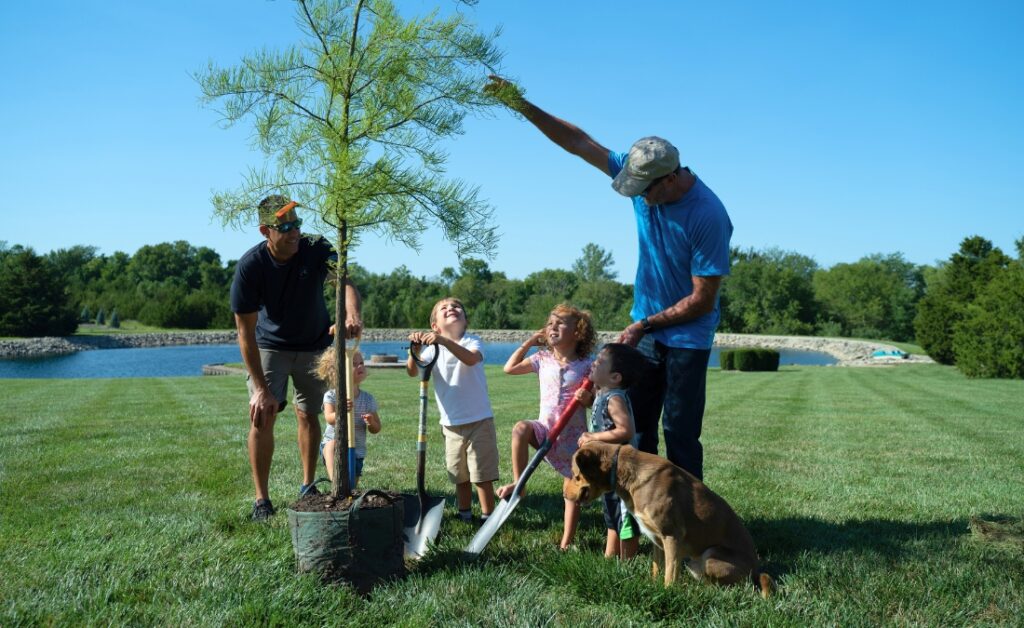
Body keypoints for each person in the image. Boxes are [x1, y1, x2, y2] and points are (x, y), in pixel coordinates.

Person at [486, 77, 733, 481]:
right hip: (646, 331)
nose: (639, 196)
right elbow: (579, 142)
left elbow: (703, 299)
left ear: (669, 179)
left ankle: (691, 519)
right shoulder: (643, 177)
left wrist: (644, 324)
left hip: (687, 337)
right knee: (637, 428)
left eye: (644, 190)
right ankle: (642, 516)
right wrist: (520, 103)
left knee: (681, 431)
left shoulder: (707, 215)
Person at [230, 194, 363, 521]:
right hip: (270, 347)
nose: (293, 233)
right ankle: (262, 499)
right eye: (284, 226)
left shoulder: (316, 247)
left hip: (314, 344)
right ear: (266, 231)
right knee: (263, 415)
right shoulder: (251, 267)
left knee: (309, 414)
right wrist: (260, 388)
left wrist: (350, 314)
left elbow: (344, 280)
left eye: (296, 224)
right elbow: (245, 333)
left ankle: (308, 485)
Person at [499, 304, 596, 550]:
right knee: (520, 428)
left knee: (570, 492)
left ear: (578, 333)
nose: (552, 326)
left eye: (560, 323)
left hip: (573, 439)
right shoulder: (542, 359)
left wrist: (590, 399)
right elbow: (508, 368)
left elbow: (598, 399)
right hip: (545, 430)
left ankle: (566, 543)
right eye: (550, 322)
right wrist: (531, 341)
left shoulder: (588, 366)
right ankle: (519, 484)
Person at [406, 298, 498, 523]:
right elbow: (412, 371)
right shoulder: (431, 350)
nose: (451, 309)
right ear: (435, 326)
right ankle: (465, 514)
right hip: (451, 424)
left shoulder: (471, 341)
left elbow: (471, 360)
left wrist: (443, 342)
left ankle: (488, 518)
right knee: (459, 475)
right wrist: (415, 350)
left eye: (456, 308)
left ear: (465, 321)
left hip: (479, 420)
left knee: (482, 474)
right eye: (444, 309)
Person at [576, 342, 647, 560]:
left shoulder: (614, 398)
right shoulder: (603, 393)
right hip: (610, 469)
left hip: (623, 469)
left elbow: (625, 430)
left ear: (615, 377)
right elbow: (603, 418)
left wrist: (593, 437)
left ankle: (627, 560)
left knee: (626, 514)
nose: (594, 363)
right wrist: (589, 401)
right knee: (611, 512)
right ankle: (610, 555)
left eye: (599, 362)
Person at [317, 348, 380, 489]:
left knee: (351, 488)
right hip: (334, 445)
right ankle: (336, 484)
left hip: (357, 451)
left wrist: (371, 422)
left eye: (361, 362)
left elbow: (377, 428)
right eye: (353, 363)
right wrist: (341, 411)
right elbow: (329, 418)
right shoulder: (332, 396)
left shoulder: (368, 399)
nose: (360, 366)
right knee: (332, 445)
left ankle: (346, 494)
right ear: (339, 371)